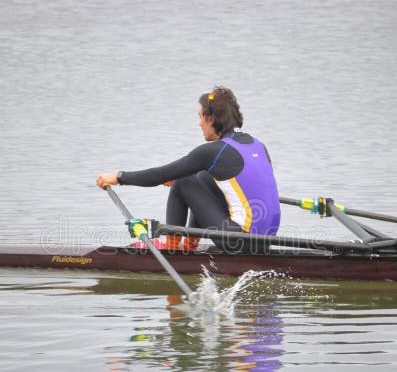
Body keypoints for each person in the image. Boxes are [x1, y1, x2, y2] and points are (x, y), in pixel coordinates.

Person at [96, 87, 280, 252]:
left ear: (212, 119)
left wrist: (119, 177)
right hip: (265, 241)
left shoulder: (216, 151)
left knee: (183, 181)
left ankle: (173, 249)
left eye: (200, 117)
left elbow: (161, 175)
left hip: (238, 241)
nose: (199, 123)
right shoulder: (259, 146)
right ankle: (190, 246)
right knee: (203, 177)